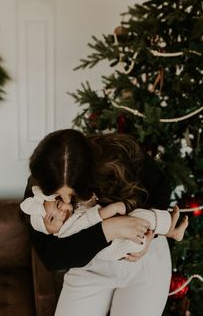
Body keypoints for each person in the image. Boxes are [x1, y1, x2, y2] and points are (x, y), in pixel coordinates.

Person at [23, 129, 180, 316]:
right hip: (89, 267)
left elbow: (161, 191)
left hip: (143, 262)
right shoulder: (39, 189)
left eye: (73, 195)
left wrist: (150, 236)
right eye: (58, 196)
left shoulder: (121, 155)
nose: (65, 202)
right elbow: (52, 257)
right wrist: (108, 229)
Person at [20, 185, 188, 260]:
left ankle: (169, 229)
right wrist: (112, 208)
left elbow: (86, 210)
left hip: (122, 242)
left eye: (58, 205)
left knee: (140, 218)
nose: (61, 213)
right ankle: (170, 230)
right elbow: (90, 218)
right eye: (52, 219)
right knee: (140, 217)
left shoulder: (70, 213)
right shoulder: (66, 231)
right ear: (51, 233)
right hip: (118, 246)